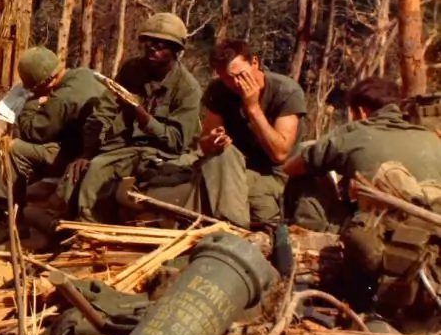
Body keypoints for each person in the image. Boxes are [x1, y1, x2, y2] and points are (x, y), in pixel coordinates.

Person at [72, 13, 202, 222]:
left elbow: (177, 142)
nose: (152, 47)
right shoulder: (132, 70)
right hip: (126, 146)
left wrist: (144, 118)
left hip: (164, 153)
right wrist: (87, 152)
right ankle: (85, 226)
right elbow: (105, 109)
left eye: (161, 44)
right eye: (148, 41)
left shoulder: (188, 88)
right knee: (90, 171)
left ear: (176, 50)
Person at [285, 77, 441, 233]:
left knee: (305, 172)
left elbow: (291, 169)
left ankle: (317, 233)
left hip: (379, 235)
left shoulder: (354, 135)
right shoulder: (431, 138)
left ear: (361, 112)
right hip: (431, 230)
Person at [187, 38, 304, 230]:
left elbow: (280, 154)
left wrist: (253, 108)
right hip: (234, 168)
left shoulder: (286, 91)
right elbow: (204, 144)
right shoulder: (219, 91)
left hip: (275, 175)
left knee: (226, 190)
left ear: (255, 63)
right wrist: (214, 140)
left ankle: (232, 230)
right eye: (227, 78)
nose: (235, 83)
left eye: (240, 75)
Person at [8, 46, 111, 208]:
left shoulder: (61, 98)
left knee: (15, 148)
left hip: (87, 157)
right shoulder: (85, 74)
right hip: (102, 151)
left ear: (44, 83)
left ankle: (11, 213)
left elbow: (32, 132)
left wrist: (34, 100)